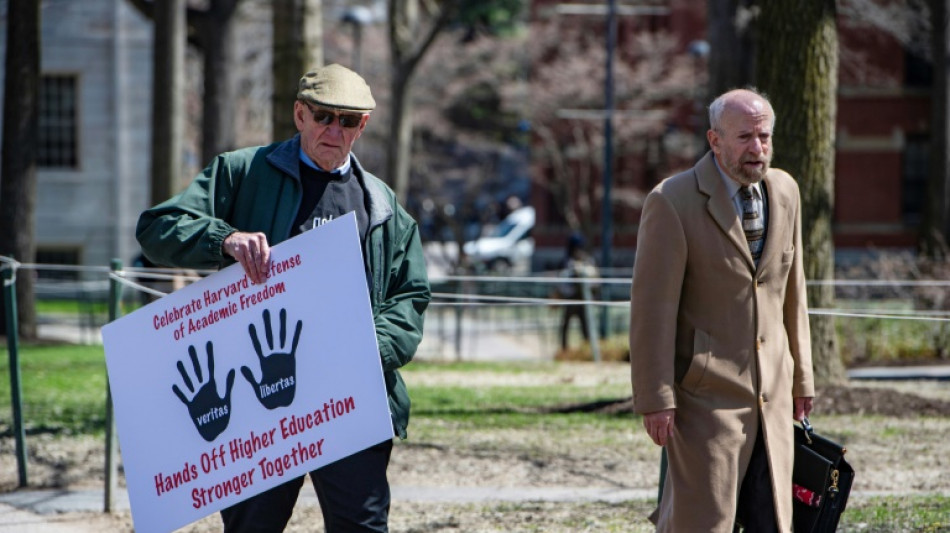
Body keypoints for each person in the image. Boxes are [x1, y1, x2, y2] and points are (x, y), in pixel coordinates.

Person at [136, 63, 431, 533]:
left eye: (348, 120)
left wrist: (367, 349)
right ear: (299, 114)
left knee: (363, 526)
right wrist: (224, 239)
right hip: (260, 400)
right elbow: (156, 230)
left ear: (363, 127)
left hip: (351, 398)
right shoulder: (242, 172)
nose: (334, 129)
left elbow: (409, 296)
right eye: (323, 116)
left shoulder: (383, 205)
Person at [628, 88, 814, 532]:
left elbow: (795, 292)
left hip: (775, 396)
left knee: (773, 520)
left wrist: (803, 376)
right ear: (714, 141)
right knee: (704, 522)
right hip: (704, 403)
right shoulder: (672, 201)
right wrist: (655, 399)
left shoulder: (786, 191)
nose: (758, 148)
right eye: (745, 137)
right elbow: (652, 312)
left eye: (765, 137)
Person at [557, 233, 596, 350]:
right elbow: (562, 282)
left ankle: (588, 350)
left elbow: (594, 280)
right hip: (570, 299)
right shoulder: (567, 262)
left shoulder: (587, 261)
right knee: (565, 326)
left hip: (583, 299)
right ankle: (564, 349)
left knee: (585, 326)